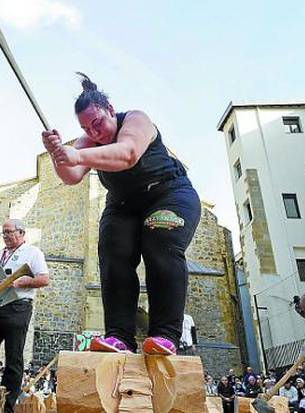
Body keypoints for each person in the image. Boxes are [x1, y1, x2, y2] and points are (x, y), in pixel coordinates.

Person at [41, 73, 201, 356]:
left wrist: (76, 155)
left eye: (98, 123)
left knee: (160, 243)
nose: (95, 133)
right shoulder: (88, 140)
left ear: (111, 110)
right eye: (86, 128)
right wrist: (57, 154)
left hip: (168, 193)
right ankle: (119, 337)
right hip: (124, 205)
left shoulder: (136, 120)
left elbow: (127, 154)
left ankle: (165, 335)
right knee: (113, 252)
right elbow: (71, 176)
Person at [0, 218, 49, 413]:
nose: (6, 236)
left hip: (17, 307)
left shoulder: (33, 253)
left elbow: (44, 279)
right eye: (3, 233)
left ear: (21, 233)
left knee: (13, 357)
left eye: (9, 232)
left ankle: (6, 407)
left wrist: (23, 282)